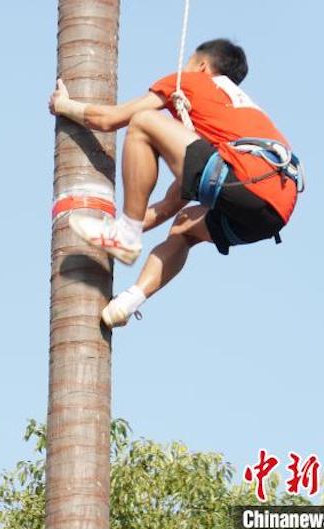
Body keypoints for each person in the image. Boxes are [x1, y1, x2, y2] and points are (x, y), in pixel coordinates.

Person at [48, 39, 301, 328]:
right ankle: (127, 303)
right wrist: (103, 233)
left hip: (248, 179)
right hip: (272, 212)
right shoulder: (239, 115)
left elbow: (111, 119)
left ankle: (125, 234)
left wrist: (64, 105)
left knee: (143, 121)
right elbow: (169, 206)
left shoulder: (191, 82)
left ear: (202, 66)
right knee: (184, 227)